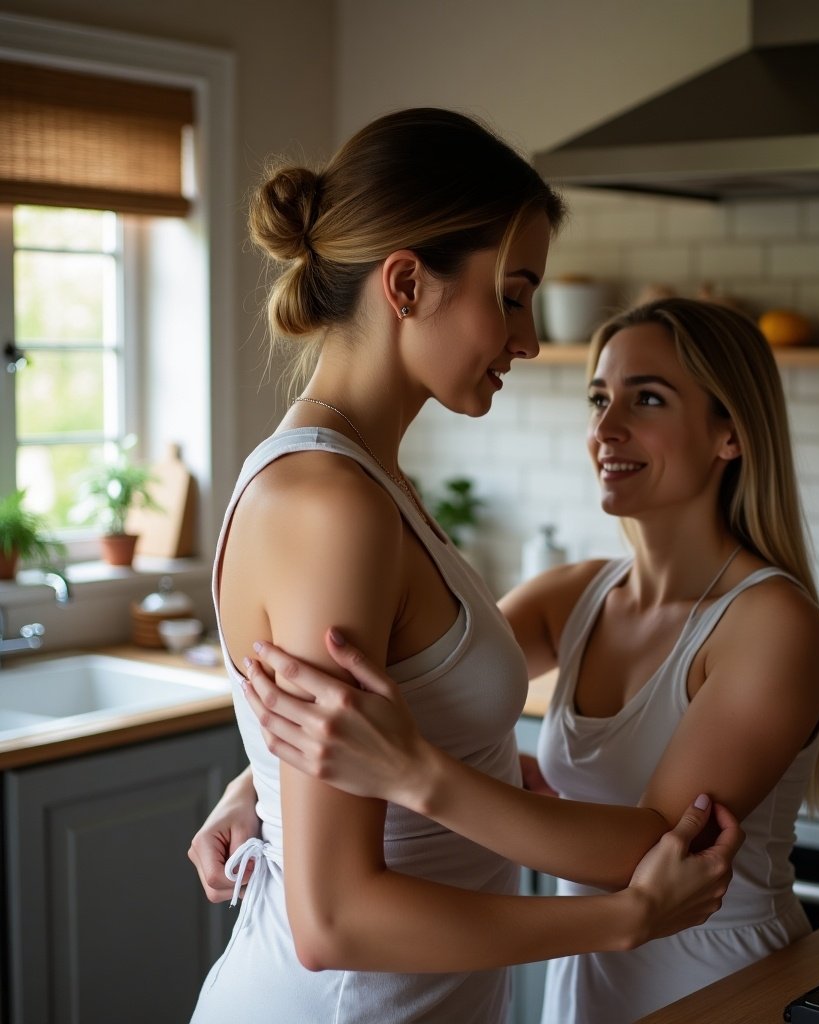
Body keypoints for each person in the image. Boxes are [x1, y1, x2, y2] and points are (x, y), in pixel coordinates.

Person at [188, 109, 743, 1024]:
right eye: (515, 294)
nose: (527, 340)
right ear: (407, 283)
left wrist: (259, 785)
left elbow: (352, 735)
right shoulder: (334, 506)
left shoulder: (371, 486)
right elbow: (334, 920)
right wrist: (620, 921)